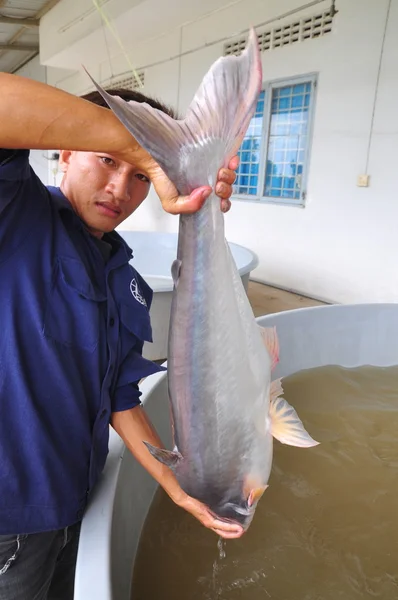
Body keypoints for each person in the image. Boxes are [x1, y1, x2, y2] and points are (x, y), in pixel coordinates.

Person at [0, 72, 243, 600]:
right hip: (9, 522)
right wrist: (142, 147)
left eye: (139, 176)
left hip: (73, 505)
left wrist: (176, 488)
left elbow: (118, 396)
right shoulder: (14, 212)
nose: (120, 189)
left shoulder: (125, 278)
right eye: (106, 160)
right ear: (64, 150)